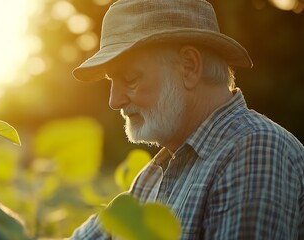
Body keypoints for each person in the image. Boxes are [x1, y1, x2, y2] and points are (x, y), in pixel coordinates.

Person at [70, 0, 304, 239]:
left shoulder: (255, 152)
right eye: (111, 82)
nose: (114, 100)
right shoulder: (152, 177)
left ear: (190, 67)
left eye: (130, 78)